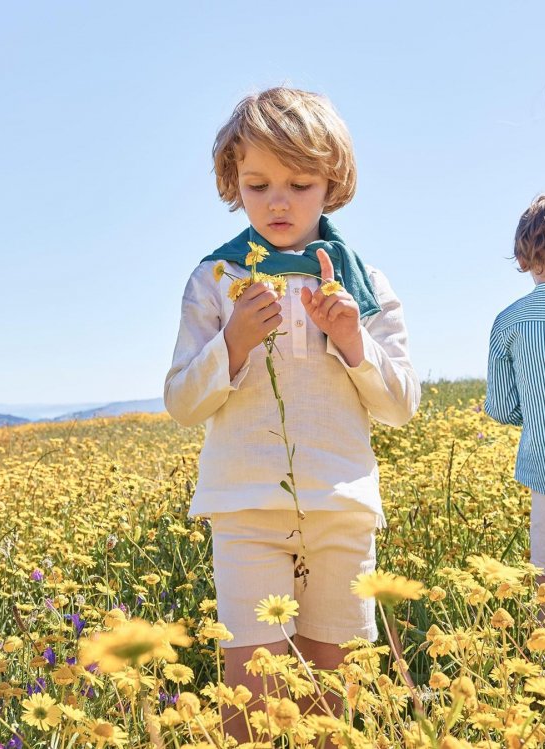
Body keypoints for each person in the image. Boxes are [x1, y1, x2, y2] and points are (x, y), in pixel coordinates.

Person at [164, 86, 420, 736]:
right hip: (247, 508)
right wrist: (234, 343)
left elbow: (401, 406)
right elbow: (181, 401)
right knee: (249, 704)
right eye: (257, 184)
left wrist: (353, 343)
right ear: (233, 182)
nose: (278, 201)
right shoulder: (216, 279)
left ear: (333, 182)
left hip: (341, 508)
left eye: (300, 183)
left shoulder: (364, 283)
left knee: (332, 702)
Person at [485, 194, 545, 590]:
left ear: (522, 260)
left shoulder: (509, 321)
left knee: (544, 574)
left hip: (544, 467)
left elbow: (502, 407)